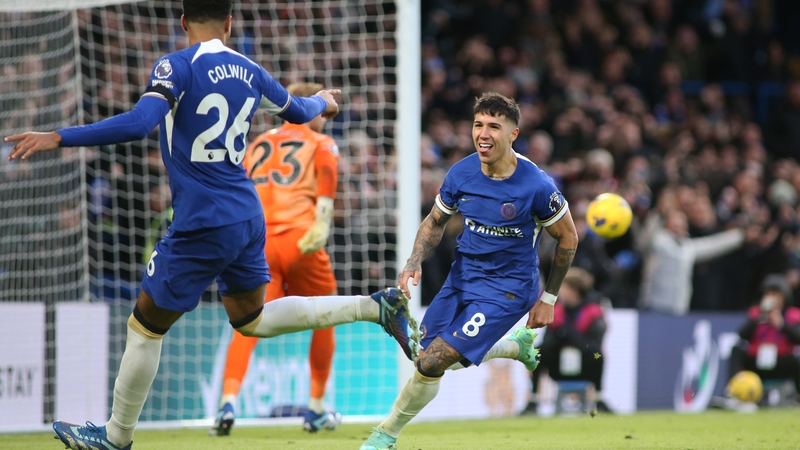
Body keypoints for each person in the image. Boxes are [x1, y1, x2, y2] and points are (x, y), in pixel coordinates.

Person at [6, 2, 420, 449]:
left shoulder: (176, 66)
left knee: (144, 326)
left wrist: (60, 135)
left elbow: (140, 123)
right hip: (247, 215)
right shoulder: (250, 69)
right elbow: (300, 111)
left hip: (201, 220)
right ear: (229, 22)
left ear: (183, 21)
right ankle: (374, 306)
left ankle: (115, 436)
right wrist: (325, 100)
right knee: (252, 319)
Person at [360, 92, 579, 450]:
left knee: (432, 362)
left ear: (513, 134)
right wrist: (413, 261)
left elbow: (568, 238)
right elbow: (435, 222)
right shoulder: (461, 173)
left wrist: (548, 298)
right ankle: (513, 347)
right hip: (462, 278)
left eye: (495, 126)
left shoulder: (537, 186)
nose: (484, 133)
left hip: (508, 290)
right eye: (478, 124)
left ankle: (386, 434)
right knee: (422, 355)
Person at [209, 82, 343, 436]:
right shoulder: (320, 143)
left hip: (256, 243)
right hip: (301, 239)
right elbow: (328, 174)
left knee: (248, 321)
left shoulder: (256, 144)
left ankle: (228, 402)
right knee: (326, 316)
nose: (325, 122)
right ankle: (315, 408)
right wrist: (323, 218)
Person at [521, 267, 611, 415]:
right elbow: (547, 342)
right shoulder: (556, 311)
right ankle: (534, 399)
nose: (559, 291)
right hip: (558, 366)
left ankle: (599, 398)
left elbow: (594, 345)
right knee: (536, 353)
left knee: (598, 355)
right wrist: (558, 337)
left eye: (562, 287)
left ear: (573, 290)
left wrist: (568, 333)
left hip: (585, 366)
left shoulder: (593, 313)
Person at [728, 275, 800, 403]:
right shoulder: (756, 313)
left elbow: (797, 338)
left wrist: (782, 325)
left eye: (776, 294)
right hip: (758, 361)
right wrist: (759, 318)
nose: (772, 298)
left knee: (796, 361)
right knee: (736, 350)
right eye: (769, 294)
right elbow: (742, 335)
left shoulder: (792, 315)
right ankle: (732, 392)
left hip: (780, 361)